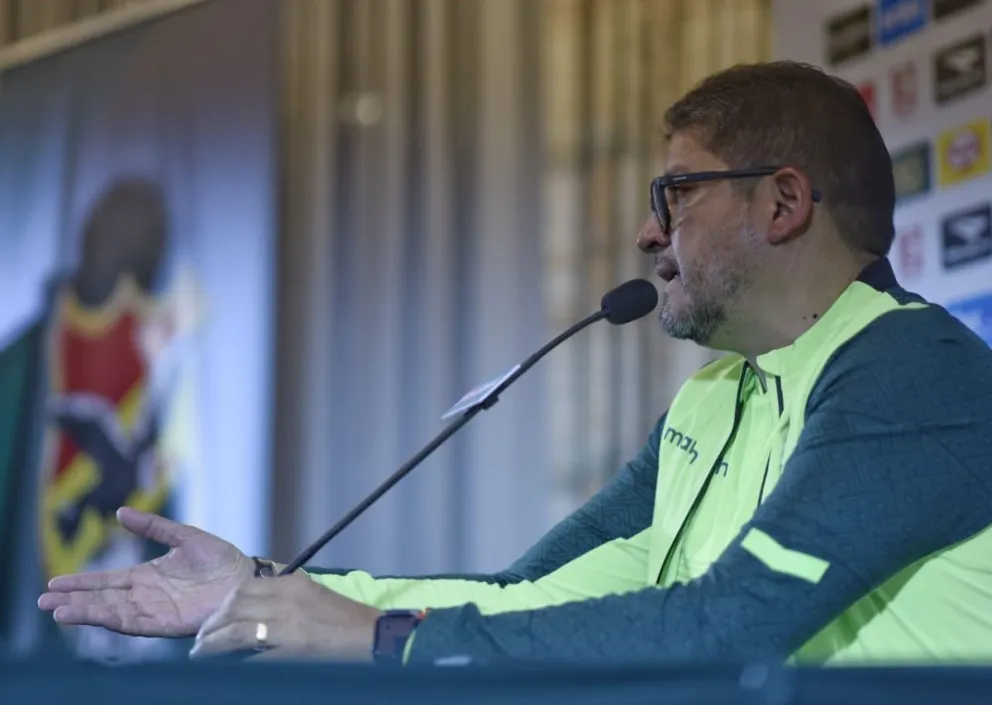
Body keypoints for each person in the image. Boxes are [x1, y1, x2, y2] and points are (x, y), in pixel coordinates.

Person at [38, 61, 992, 667]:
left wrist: (381, 640)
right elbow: (524, 593)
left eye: (676, 193)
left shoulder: (915, 366)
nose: (645, 231)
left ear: (783, 202)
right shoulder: (712, 399)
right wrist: (267, 588)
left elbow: (736, 622)